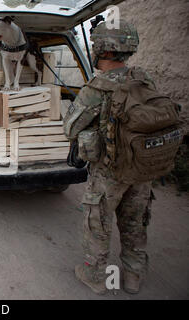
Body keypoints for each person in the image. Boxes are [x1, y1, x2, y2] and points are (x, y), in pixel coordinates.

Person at [63, 20, 158, 295]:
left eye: (94, 45)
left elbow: (70, 127)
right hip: (142, 167)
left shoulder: (99, 85)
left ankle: (94, 275)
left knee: (98, 222)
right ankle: (132, 277)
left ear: (102, 49)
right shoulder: (144, 78)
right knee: (135, 222)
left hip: (110, 171)